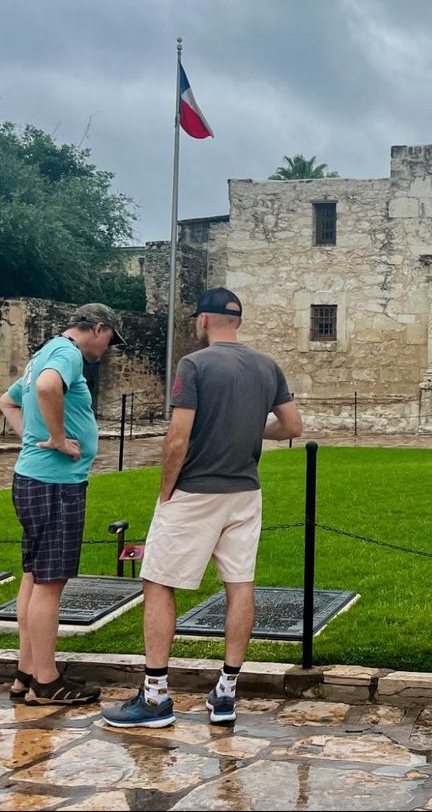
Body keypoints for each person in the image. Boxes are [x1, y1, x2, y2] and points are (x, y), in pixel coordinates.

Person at [101, 288, 302, 730]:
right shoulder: (268, 365)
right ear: (238, 322)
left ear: (203, 321)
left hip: (195, 490)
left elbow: (177, 438)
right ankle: (226, 692)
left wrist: (165, 491)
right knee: (239, 584)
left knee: (157, 581)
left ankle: (155, 696)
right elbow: (291, 426)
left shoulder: (194, 364)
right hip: (245, 490)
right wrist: (251, 431)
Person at [0, 303, 124, 705]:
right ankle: (47, 683)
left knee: (34, 577)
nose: (108, 348)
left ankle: (26, 672)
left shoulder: (44, 352)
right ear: (98, 328)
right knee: (50, 584)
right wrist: (53, 438)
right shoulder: (67, 354)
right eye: (109, 339)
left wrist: (32, 437)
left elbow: (8, 401)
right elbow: (48, 389)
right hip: (56, 484)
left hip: (32, 478)